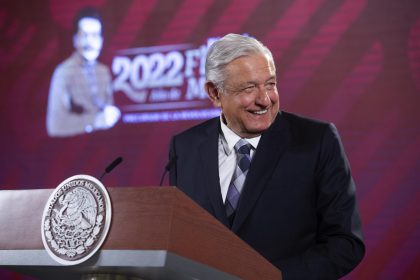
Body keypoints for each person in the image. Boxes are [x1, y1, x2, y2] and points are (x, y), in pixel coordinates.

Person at [168, 34, 365, 279]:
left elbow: (345, 243)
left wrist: (272, 277)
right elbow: (180, 236)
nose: (265, 99)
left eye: (270, 84)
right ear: (215, 93)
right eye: (249, 88)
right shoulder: (185, 147)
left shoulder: (317, 140)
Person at [46, 7, 120, 137]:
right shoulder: (63, 72)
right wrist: (95, 121)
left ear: (101, 41)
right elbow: (55, 125)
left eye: (95, 35)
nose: (90, 42)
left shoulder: (103, 71)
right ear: (75, 40)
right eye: (84, 35)